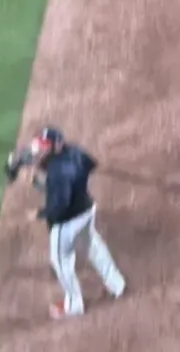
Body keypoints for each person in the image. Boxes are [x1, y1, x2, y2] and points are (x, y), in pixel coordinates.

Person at [26, 125, 126, 320]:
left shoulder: (57, 171)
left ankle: (74, 306)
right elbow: (90, 165)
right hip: (86, 211)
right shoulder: (74, 152)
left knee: (60, 261)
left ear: (56, 146)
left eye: (44, 147)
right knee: (93, 248)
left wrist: (38, 214)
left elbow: (60, 205)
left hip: (66, 223)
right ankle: (117, 285)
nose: (41, 150)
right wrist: (50, 179)